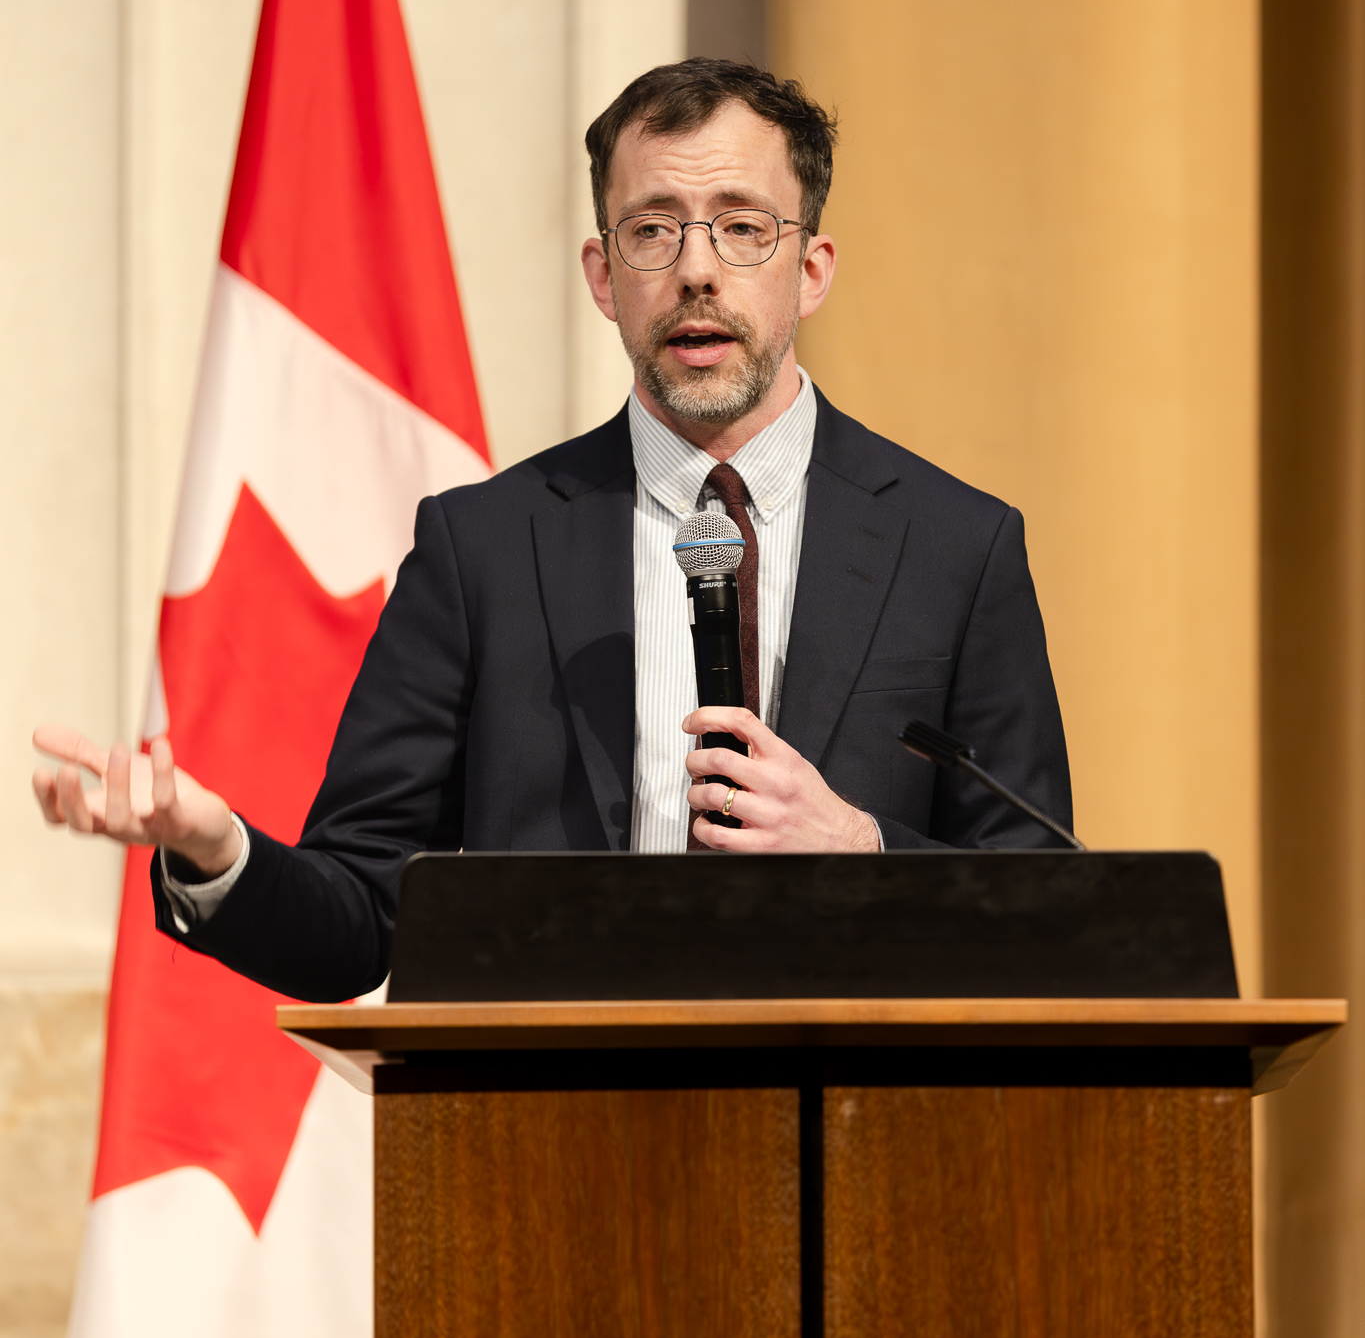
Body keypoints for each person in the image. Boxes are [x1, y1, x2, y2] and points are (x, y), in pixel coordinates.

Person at [32, 59, 1071, 1000]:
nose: (697, 269)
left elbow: (1048, 912)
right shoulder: (483, 548)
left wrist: (863, 851)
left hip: (856, 1121)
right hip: (553, 1127)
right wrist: (217, 851)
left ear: (812, 269)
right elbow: (357, 919)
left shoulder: (955, 547)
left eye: (743, 226)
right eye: (653, 228)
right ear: (603, 276)